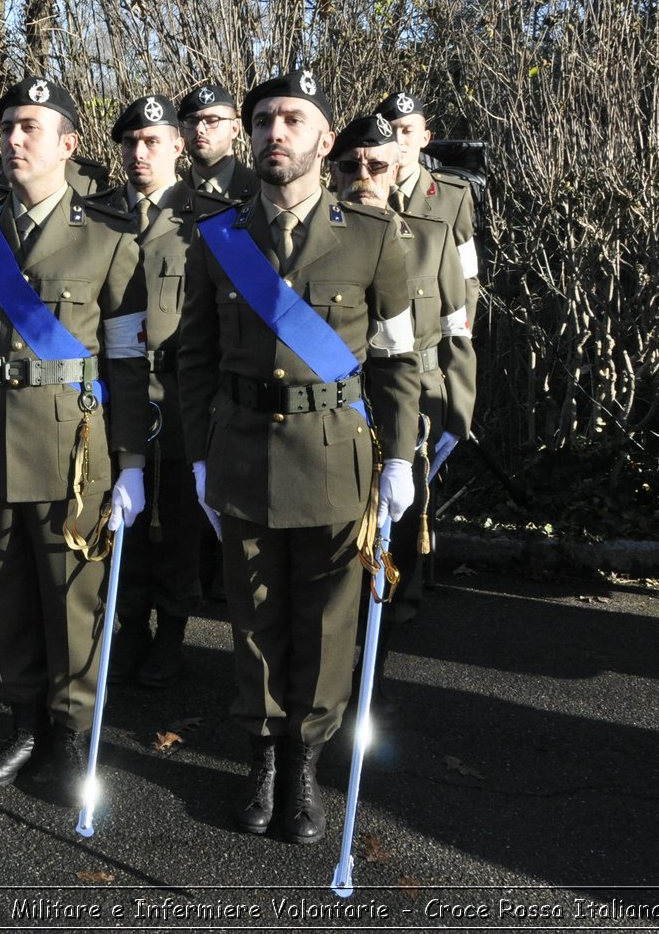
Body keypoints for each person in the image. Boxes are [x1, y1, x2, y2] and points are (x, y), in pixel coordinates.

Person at [176, 70, 420, 845]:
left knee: (324, 623)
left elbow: (397, 361)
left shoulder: (375, 237)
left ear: (324, 140)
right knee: (252, 619)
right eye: (261, 120)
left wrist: (401, 459)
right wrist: (198, 458)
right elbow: (195, 359)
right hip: (242, 452)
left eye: (292, 120)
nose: (273, 132)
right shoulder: (217, 238)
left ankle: (305, 764)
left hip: (334, 457)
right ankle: (262, 758)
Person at [0, 75, 150, 804]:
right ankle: (24, 720)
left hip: (74, 451)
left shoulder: (109, 236)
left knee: (73, 596)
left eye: (30, 126)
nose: (13, 138)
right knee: (6, 593)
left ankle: (70, 731)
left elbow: (127, 360)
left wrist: (131, 462)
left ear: (69, 144)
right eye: (6, 125)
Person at [87, 94, 226, 687]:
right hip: (111, 391)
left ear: (177, 145)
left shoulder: (211, 218)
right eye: (129, 142)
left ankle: (171, 633)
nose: (139, 152)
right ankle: (128, 625)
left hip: (176, 391)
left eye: (151, 142)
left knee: (175, 521)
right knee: (115, 516)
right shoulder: (93, 215)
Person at [331, 114, 477, 637]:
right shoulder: (310, 243)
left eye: (376, 166)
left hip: (413, 396)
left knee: (405, 508)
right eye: (350, 166)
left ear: (397, 171)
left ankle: (396, 604)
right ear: (333, 172)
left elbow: (456, 328)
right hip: (338, 398)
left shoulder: (432, 237)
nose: (363, 177)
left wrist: (457, 410)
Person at [376, 91, 481, 326]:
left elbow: (466, 277)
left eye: (407, 130)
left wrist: (460, 341)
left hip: (431, 333)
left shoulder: (453, 197)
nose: (398, 139)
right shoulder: (362, 194)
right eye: (390, 131)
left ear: (425, 137)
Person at [179, 82, 259, 202]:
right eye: (192, 121)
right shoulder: (171, 193)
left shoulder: (261, 191)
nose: (199, 129)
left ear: (234, 129)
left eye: (212, 120)